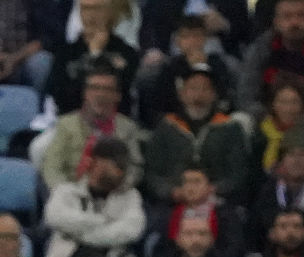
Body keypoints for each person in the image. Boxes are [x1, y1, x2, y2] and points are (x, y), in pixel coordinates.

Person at [43, 137, 145, 257]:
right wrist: (102, 222)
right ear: (95, 162)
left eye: (123, 167)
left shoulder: (130, 196)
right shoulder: (66, 191)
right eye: (116, 165)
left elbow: (132, 230)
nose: (121, 172)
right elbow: (54, 217)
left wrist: (79, 233)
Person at [144, 68, 253, 208]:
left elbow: (238, 173)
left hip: (219, 202)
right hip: (172, 203)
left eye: (205, 88)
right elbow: (153, 173)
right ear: (181, 94)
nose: (198, 94)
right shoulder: (166, 127)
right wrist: (172, 191)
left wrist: (214, 189)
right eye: (192, 88)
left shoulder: (230, 127)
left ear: (214, 95)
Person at [41, 67, 144, 190]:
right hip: (71, 192)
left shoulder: (127, 128)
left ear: (117, 96)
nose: (100, 94)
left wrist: (119, 187)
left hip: (115, 193)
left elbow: (135, 167)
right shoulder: (66, 124)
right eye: (94, 88)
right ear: (85, 93)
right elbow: (52, 167)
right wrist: (67, 192)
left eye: (107, 89)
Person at [47, 0, 140, 113]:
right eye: (85, 9)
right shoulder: (65, 53)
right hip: (72, 123)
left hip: (115, 125)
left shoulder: (127, 54)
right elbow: (62, 98)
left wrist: (96, 54)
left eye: (97, 9)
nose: (91, 15)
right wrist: (93, 54)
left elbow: (122, 97)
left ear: (109, 13)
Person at [237, 0, 304, 124]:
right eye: (287, 16)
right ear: (276, 22)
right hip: (266, 121)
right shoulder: (261, 49)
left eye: (301, 15)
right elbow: (246, 96)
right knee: (241, 120)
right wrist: (271, 117)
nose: (294, 22)